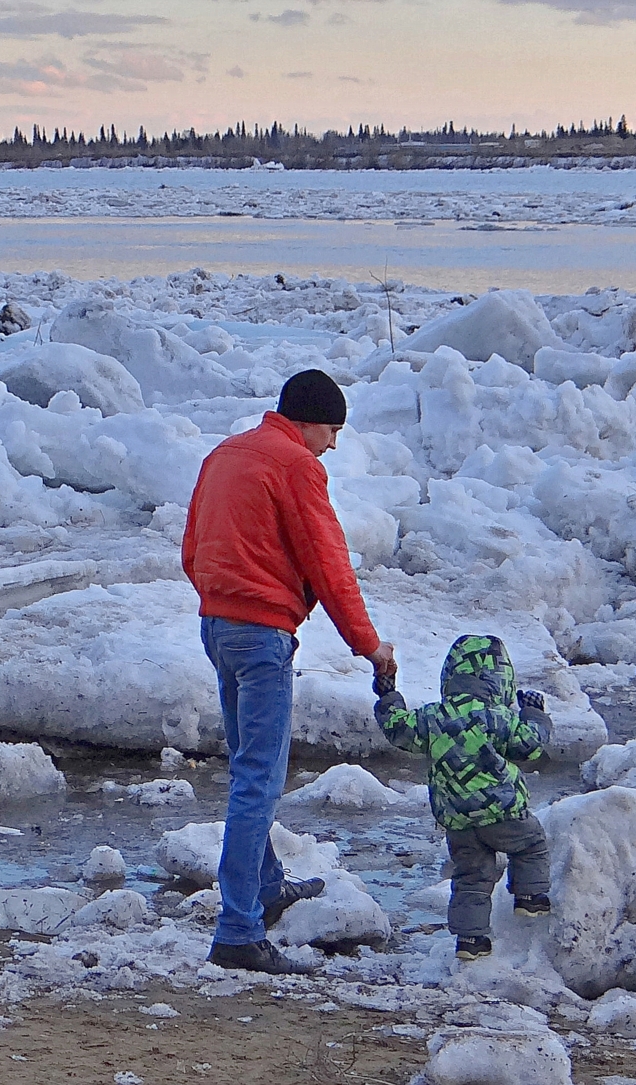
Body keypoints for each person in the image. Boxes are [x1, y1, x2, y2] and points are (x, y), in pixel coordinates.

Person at [182, 368, 396, 975]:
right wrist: (370, 647)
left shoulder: (225, 453)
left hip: (218, 628)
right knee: (260, 779)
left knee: (249, 766)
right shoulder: (297, 465)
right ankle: (237, 932)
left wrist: (226, 602)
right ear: (310, 422)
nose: (333, 444)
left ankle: (268, 887)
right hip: (261, 636)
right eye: (332, 430)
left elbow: (192, 549)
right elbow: (329, 564)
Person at [373, 634, 552, 960]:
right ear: (501, 679)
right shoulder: (498, 718)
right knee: (532, 845)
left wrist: (389, 696)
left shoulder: (433, 717)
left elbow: (399, 729)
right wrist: (534, 714)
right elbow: (529, 745)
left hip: (458, 819)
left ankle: (471, 941)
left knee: (471, 874)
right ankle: (530, 898)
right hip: (502, 812)